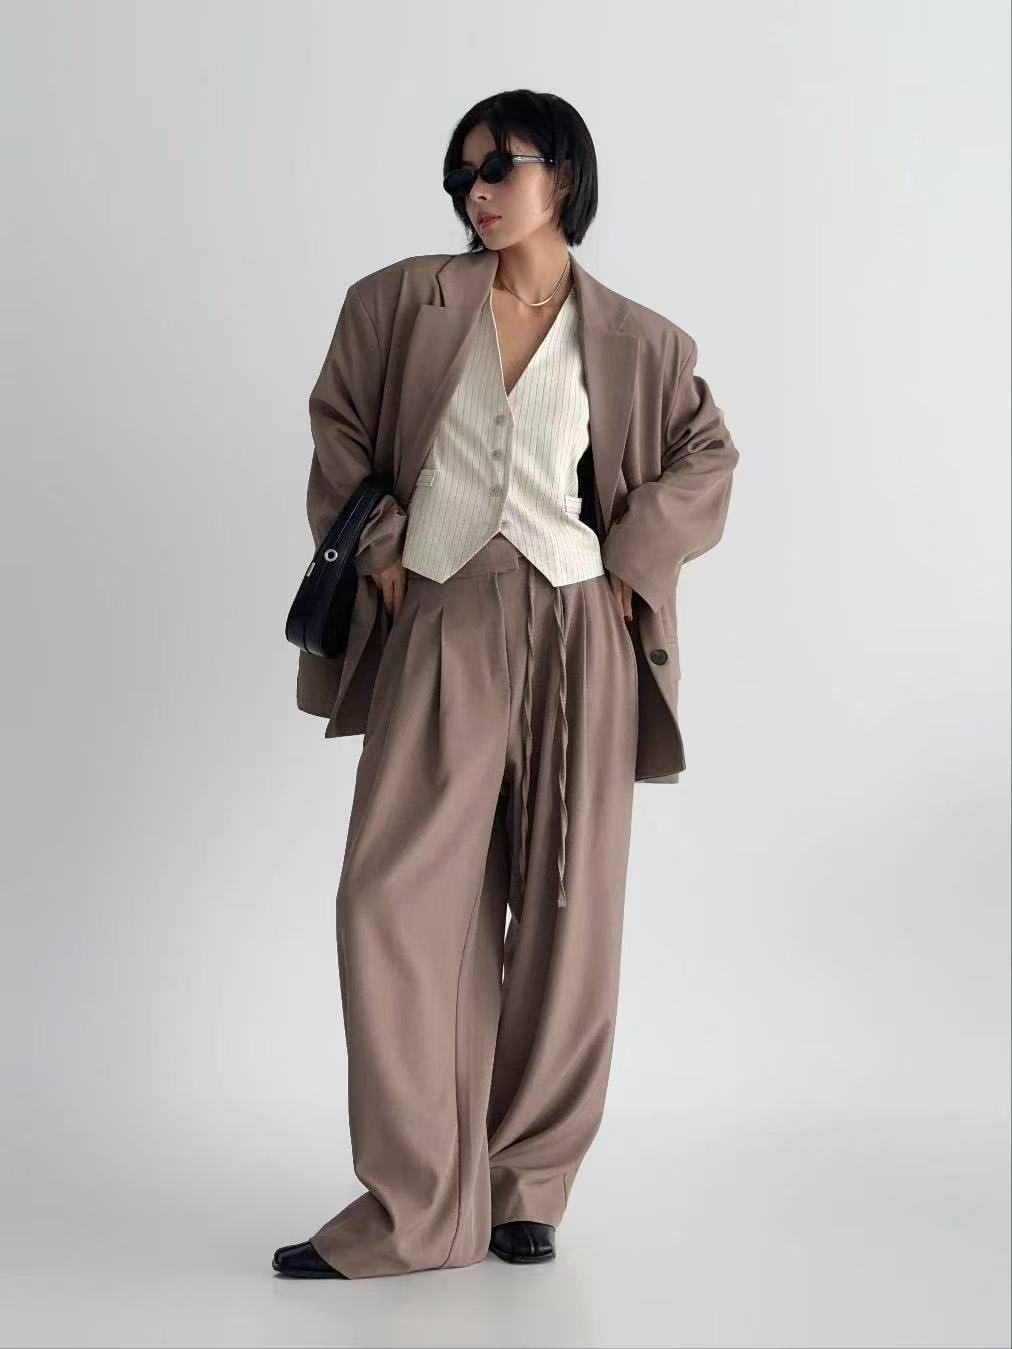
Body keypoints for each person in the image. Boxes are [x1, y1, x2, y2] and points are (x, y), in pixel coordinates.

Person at [274, 89, 740, 1280]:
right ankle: (416, 1203)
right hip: (438, 615)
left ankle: (525, 1183)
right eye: (461, 174)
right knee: (390, 903)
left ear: (564, 175)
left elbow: (707, 454)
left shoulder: (639, 338)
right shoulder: (399, 303)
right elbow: (339, 430)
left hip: (580, 625)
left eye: (499, 167)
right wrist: (382, 553)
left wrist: (632, 558)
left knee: (567, 913)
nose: (476, 192)